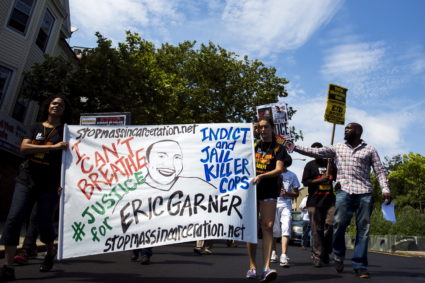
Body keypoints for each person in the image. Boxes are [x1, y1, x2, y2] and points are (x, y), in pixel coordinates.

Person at [288, 123, 392, 278]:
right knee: (338, 225)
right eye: (345, 128)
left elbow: (380, 170)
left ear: (357, 131)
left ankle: (360, 265)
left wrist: (385, 189)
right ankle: (337, 254)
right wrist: (293, 146)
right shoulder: (338, 148)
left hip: (365, 193)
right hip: (344, 192)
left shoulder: (370, 149)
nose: (346, 130)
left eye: (349, 128)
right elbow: (315, 151)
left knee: (363, 229)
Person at [0, 95, 72, 281]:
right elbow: (24, 148)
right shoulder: (35, 127)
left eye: (61, 105)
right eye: (54, 103)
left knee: (43, 222)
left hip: (49, 183)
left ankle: (50, 251)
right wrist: (54, 147)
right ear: (48, 106)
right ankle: (8, 266)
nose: (57, 106)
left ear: (64, 110)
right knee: (14, 218)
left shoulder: (67, 132)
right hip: (27, 178)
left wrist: (65, 184)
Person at [246, 117, 290, 282]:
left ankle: (266, 267)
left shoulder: (279, 148)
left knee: (268, 226)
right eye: (260, 128)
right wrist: (252, 129)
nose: (263, 130)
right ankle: (252, 266)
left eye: (266, 127)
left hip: (269, 190)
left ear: (272, 128)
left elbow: (279, 169)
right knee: (251, 228)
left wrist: (263, 176)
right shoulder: (253, 145)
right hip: (250, 191)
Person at [301, 142, 336, 267]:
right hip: (314, 202)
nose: (317, 153)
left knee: (331, 225)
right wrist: (320, 180)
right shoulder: (309, 165)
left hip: (330, 201)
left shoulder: (329, 163)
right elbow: (305, 182)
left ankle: (326, 251)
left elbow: (336, 178)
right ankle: (317, 254)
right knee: (317, 230)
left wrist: (332, 165)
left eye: (319, 150)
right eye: (314, 151)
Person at [271, 158, 299, 267]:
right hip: (273, 203)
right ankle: (273, 252)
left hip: (286, 204)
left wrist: (287, 193)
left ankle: (283, 255)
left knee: (286, 228)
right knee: (274, 230)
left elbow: (296, 193)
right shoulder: (272, 173)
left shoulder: (292, 175)